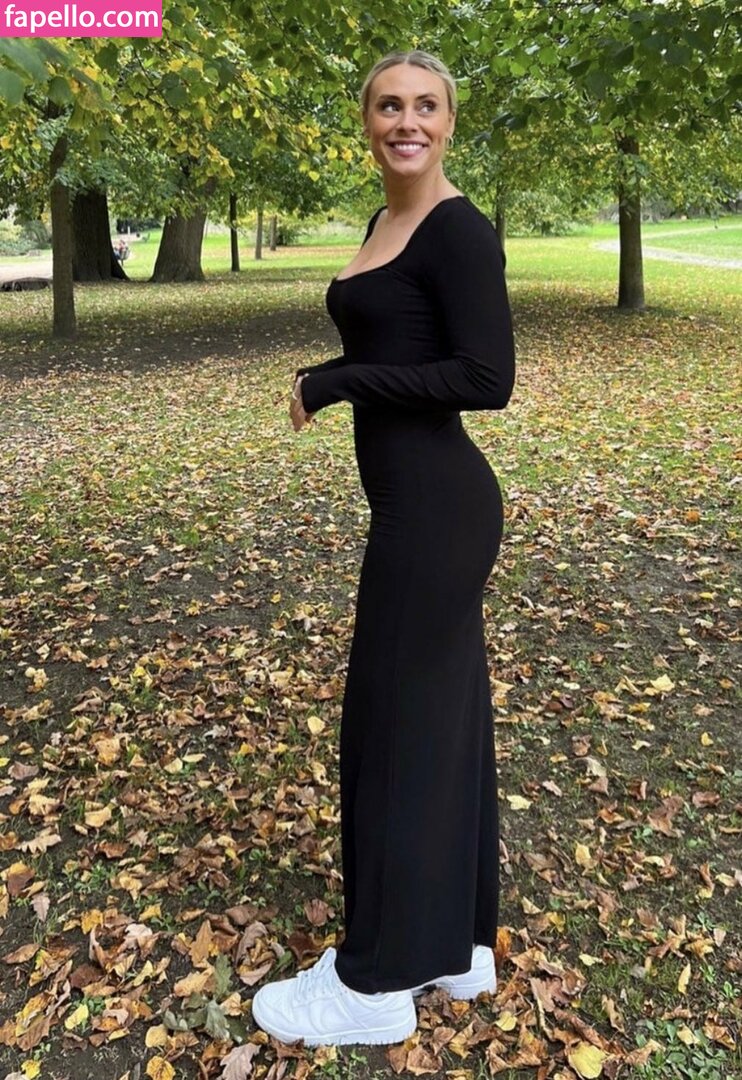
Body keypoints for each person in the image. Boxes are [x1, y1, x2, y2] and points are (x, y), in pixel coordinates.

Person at [252, 49, 516, 1048]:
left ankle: (371, 988)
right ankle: (454, 946)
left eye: (426, 106)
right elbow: (398, 345)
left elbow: (486, 377)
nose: (407, 121)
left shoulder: (459, 231)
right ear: (367, 121)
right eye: (389, 105)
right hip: (416, 510)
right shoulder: (383, 221)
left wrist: (336, 382)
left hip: (436, 513)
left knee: (394, 732)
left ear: (449, 122)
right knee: (438, 725)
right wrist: (341, 371)